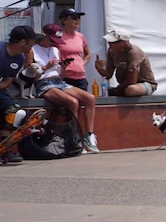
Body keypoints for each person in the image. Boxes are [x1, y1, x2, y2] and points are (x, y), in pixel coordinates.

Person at [32, 24, 99, 153]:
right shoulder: (33, 49)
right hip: (43, 82)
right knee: (73, 102)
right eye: (52, 40)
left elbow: (61, 76)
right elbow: (31, 76)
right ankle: (73, 137)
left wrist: (63, 67)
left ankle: (89, 135)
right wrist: (46, 67)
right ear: (44, 36)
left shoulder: (55, 50)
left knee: (90, 98)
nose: (54, 44)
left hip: (58, 81)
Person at [0, 26, 38, 163]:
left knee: (15, 112)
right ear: (23, 42)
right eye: (32, 42)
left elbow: (6, 83)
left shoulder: (19, 59)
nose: (33, 45)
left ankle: (4, 149)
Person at [94, 29, 158, 97]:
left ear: (123, 43)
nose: (109, 44)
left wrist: (117, 89)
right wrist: (99, 68)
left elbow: (132, 80)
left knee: (131, 90)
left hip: (144, 84)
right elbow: (108, 75)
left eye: (112, 42)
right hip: (126, 85)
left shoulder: (134, 53)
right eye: (109, 42)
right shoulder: (111, 51)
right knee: (119, 90)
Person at [56, 8, 92, 91]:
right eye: (74, 18)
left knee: (83, 101)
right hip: (65, 77)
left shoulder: (80, 36)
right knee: (70, 103)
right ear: (64, 21)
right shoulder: (58, 35)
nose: (77, 20)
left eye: (78, 18)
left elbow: (88, 53)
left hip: (81, 77)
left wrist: (82, 64)